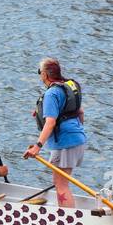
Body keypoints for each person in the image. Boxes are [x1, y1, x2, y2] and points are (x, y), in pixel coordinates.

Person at [23, 57, 88, 207]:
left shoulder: (52, 93)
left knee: (61, 185)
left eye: (40, 72)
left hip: (65, 143)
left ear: (44, 74)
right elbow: (80, 112)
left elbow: (50, 123)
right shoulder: (69, 86)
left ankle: (67, 219)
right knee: (62, 182)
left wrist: (37, 146)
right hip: (78, 139)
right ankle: (68, 215)